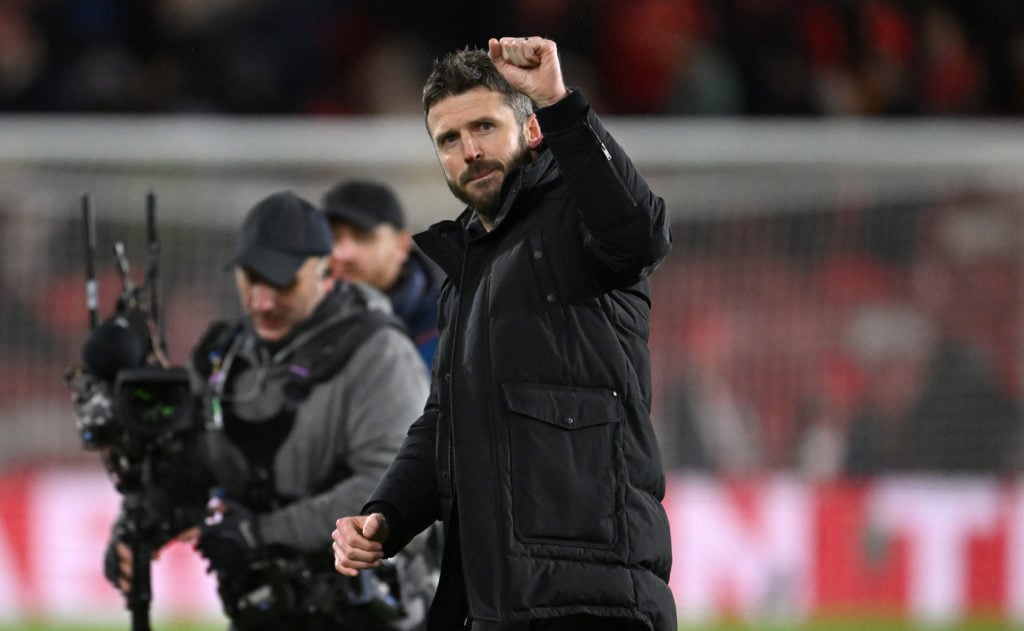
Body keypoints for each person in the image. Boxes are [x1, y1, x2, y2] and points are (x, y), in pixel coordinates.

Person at [331, 37, 676, 631]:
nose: (469, 151)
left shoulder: (576, 219)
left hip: (590, 599)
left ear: (532, 132)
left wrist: (559, 103)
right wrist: (385, 516)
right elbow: (445, 420)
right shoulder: (467, 270)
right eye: (449, 139)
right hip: (498, 600)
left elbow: (640, 235)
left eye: (485, 127)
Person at [101, 190, 436, 630]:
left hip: (370, 615)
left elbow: (394, 492)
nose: (261, 301)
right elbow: (190, 464)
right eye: (251, 279)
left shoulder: (380, 354)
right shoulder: (224, 355)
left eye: (281, 283)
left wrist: (260, 534)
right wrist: (141, 525)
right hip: (260, 611)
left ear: (325, 271)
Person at [320, 179, 442, 367]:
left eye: (362, 237)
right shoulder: (300, 317)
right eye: (332, 237)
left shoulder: (453, 324)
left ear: (401, 244)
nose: (342, 253)